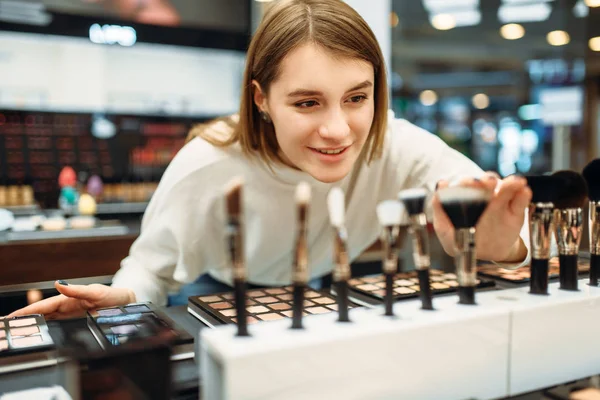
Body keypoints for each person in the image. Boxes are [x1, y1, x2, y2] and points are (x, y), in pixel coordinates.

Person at [9, 0, 531, 319]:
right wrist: (118, 299)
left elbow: (463, 183)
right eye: (307, 102)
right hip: (217, 291)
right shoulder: (206, 164)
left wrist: (501, 245)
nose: (337, 129)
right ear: (261, 98)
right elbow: (151, 270)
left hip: (320, 286)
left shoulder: (390, 140)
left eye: (357, 97)